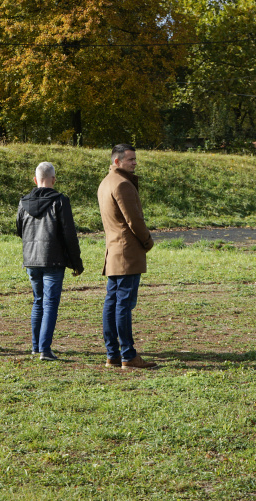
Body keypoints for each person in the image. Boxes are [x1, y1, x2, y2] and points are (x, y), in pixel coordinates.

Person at [16, 162, 84, 361]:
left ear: (35, 180)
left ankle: (36, 347)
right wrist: (76, 263)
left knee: (38, 301)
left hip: (31, 259)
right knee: (50, 303)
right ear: (53, 179)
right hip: (53, 260)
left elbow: (20, 230)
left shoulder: (23, 202)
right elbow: (69, 234)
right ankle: (45, 350)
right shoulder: (60, 200)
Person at [97, 144, 156, 369]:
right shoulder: (123, 184)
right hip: (127, 254)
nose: (134, 163)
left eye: (134, 159)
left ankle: (112, 354)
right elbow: (135, 221)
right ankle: (128, 355)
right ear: (116, 161)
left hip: (114, 252)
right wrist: (147, 241)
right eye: (130, 159)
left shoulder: (105, 183)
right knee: (122, 305)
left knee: (112, 304)